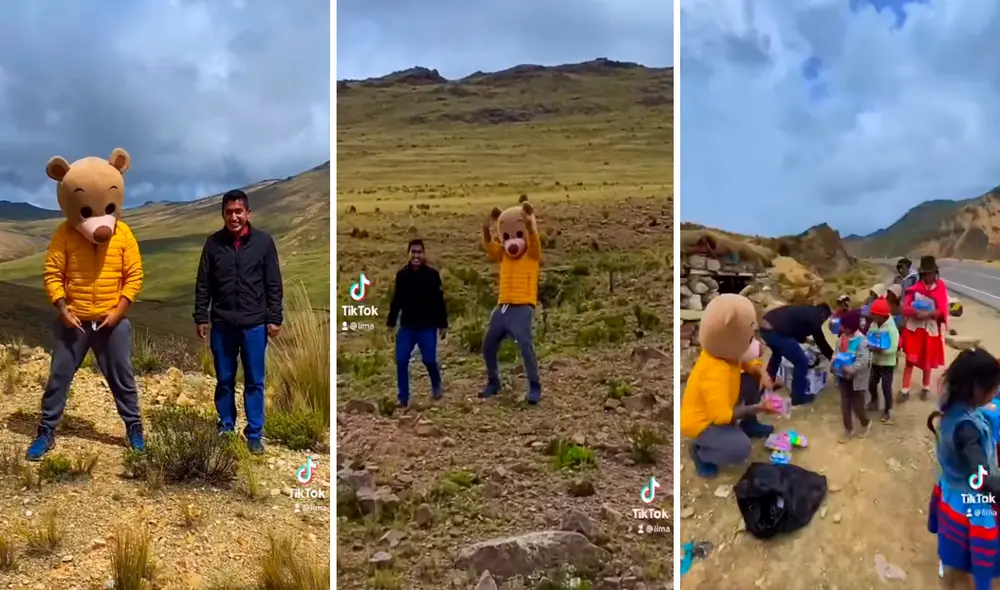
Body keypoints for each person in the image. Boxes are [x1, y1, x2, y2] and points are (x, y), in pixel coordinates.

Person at [29, 149, 146, 461]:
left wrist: (119, 310)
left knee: (123, 377)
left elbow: (133, 275)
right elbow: (53, 272)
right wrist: (63, 309)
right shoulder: (64, 235)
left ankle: (134, 427)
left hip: (113, 322)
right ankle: (46, 430)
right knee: (59, 376)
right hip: (75, 321)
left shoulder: (123, 234)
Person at [194, 189, 283, 455]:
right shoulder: (213, 244)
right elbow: (203, 284)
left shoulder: (263, 243)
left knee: (255, 380)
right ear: (223, 214)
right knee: (224, 379)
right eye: (229, 212)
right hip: (222, 324)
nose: (234, 216)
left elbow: (273, 283)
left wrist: (274, 317)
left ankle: (255, 433)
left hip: (255, 324)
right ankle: (226, 426)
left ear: (248, 213)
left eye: (238, 211)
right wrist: (201, 316)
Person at [926, 348, 1000, 588]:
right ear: (978, 388)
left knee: (956, 550)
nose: (996, 391)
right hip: (970, 503)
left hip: (952, 493)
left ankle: (952, 567)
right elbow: (980, 478)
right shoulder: (966, 431)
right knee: (975, 555)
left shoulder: (953, 406)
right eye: (994, 387)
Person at [681, 294, 777, 479]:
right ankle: (701, 454)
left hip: (721, 407)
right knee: (741, 449)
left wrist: (763, 373)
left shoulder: (726, 351)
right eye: (750, 339)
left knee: (751, 379)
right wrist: (759, 407)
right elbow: (721, 417)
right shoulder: (715, 371)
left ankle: (750, 425)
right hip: (704, 423)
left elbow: (747, 362)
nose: (758, 345)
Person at [480, 202, 543, 404]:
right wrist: (486, 233)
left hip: (523, 305)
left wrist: (531, 226)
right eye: (506, 237)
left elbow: (533, 239)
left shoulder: (532, 254)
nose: (512, 242)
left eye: (517, 234)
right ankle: (493, 382)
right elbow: (492, 249)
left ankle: (534, 386)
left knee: (525, 346)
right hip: (503, 306)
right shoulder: (504, 255)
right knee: (488, 345)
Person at [386, 239, 448, 408]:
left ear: (424, 254)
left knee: (428, 359)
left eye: (419, 252)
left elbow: (439, 302)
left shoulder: (432, 275)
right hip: (407, 327)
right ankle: (403, 398)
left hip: (427, 327)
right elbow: (396, 300)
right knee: (401, 359)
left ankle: (436, 384)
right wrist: (391, 323)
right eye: (413, 252)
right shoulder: (402, 275)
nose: (416, 256)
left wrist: (442, 325)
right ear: (408, 254)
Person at [759, 303, 835, 406]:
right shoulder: (816, 318)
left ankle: (763, 388)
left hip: (766, 327)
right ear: (823, 315)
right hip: (776, 332)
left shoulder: (807, 310)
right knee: (801, 362)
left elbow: (796, 329)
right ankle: (798, 397)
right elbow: (821, 342)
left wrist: (804, 340)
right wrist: (833, 358)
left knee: (776, 356)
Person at [898, 255, 948, 403]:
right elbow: (905, 309)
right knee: (910, 360)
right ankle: (904, 390)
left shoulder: (941, 288)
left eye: (930, 273)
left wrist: (930, 313)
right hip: (915, 329)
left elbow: (943, 309)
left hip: (930, 330)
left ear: (935, 273)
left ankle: (926, 387)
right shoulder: (914, 290)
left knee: (928, 358)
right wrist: (916, 312)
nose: (928, 277)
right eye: (925, 274)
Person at [831, 310, 872, 443]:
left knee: (857, 406)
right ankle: (848, 429)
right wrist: (833, 363)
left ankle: (865, 423)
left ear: (852, 327)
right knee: (845, 405)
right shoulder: (842, 338)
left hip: (856, 380)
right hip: (843, 378)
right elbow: (836, 353)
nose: (842, 328)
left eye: (845, 326)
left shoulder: (862, 342)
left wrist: (852, 369)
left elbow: (863, 361)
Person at [866, 297, 899, 423]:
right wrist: (869, 344)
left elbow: (894, 348)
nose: (872, 317)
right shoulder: (874, 324)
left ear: (881, 315)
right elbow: (869, 335)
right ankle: (874, 401)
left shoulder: (891, 329)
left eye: (874, 315)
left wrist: (881, 350)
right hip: (875, 361)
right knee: (872, 383)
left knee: (886, 386)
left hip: (887, 363)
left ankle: (888, 409)